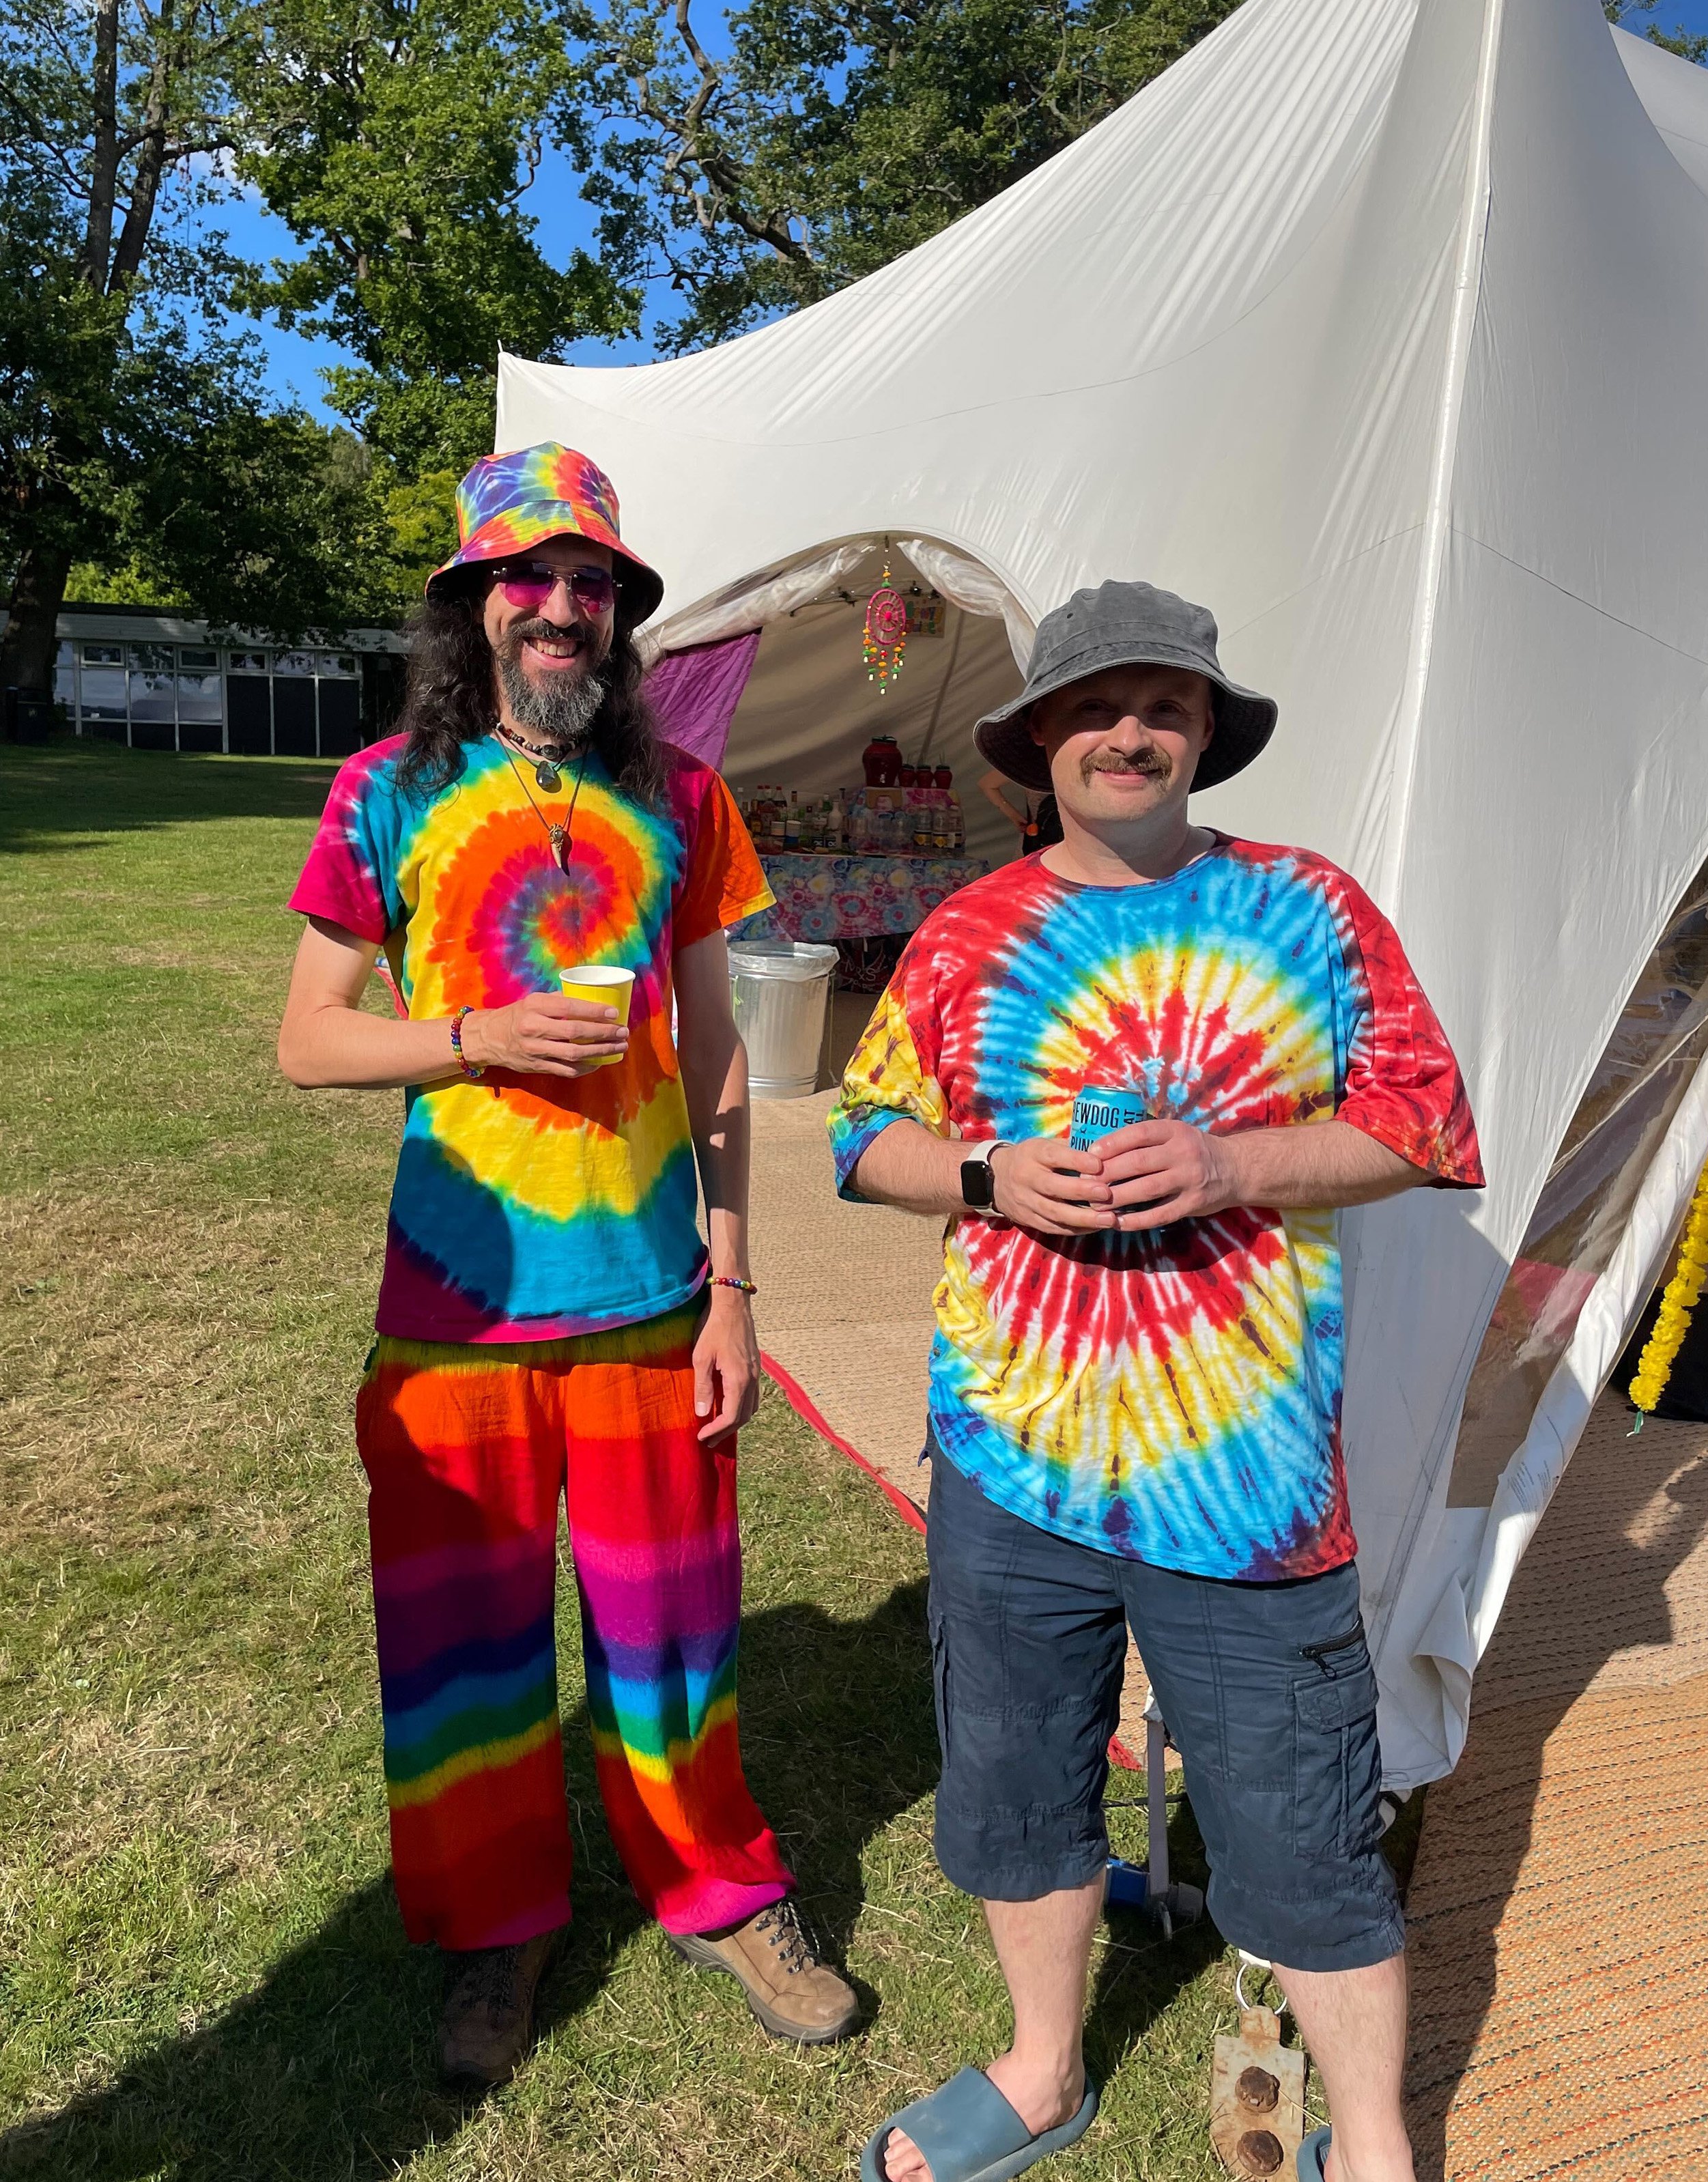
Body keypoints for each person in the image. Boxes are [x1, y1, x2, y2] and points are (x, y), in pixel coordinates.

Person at [831, 582, 1483, 2182]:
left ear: (1203, 733)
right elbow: (862, 1131)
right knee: (1014, 1778)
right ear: (1041, 737)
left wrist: (1229, 1158)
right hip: (1014, 1458)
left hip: (1243, 1475)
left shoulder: (1305, 909)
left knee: (1298, 1823)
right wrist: (989, 1177)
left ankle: (1371, 2143)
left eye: (1164, 703)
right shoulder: (972, 931)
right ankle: (1045, 2066)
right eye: (1096, 704)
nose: (1130, 730)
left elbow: (1424, 1122)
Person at [278, 442, 859, 2086]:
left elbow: (722, 1058)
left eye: (590, 583)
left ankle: (725, 1892)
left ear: (619, 616)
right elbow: (307, 1040)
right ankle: (496, 1929)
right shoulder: (380, 791)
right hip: (454, 1309)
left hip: (647, 1296)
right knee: (462, 1649)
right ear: (473, 607)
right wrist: (467, 1034)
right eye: (526, 581)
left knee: (674, 1636)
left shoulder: (685, 795)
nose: (561, 607)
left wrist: (736, 1286)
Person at [978, 765, 1064, 855]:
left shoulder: (1031, 765)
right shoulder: (1074, 764)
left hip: (1036, 841)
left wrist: (1015, 817)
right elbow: (986, 784)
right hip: (1047, 841)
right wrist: (1015, 816)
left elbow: (987, 785)